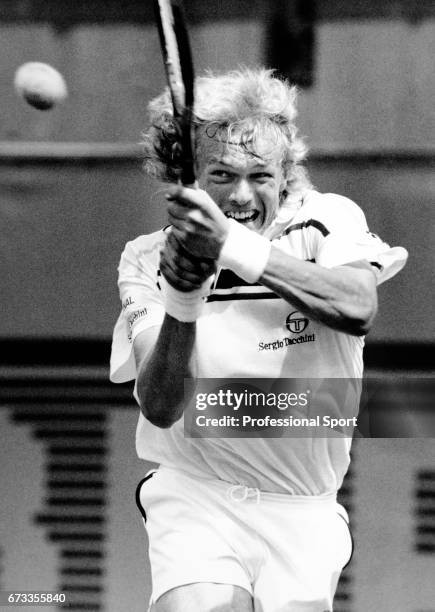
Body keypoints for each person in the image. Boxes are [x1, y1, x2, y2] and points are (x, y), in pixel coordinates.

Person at [110, 68, 408, 612]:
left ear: (287, 175)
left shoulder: (325, 221)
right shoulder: (147, 258)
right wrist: (183, 298)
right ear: (187, 179)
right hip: (196, 495)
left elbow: (357, 307)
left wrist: (232, 248)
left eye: (261, 175)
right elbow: (159, 406)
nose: (242, 194)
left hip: (304, 510)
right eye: (221, 173)